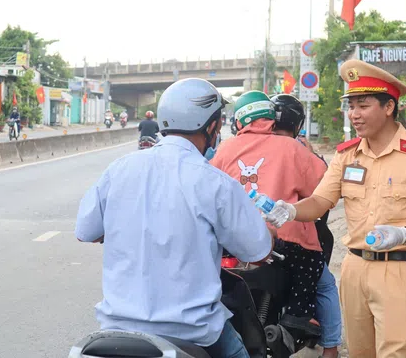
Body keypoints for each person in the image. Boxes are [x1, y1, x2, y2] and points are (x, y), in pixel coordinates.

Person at [74, 78, 275, 358]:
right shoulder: (215, 183)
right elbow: (258, 251)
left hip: (117, 328)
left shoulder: (119, 169)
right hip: (193, 332)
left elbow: (87, 231)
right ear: (212, 127)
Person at [274, 59, 406, 357]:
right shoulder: (346, 156)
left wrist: (405, 233)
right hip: (354, 269)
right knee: (360, 353)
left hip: (399, 268)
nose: (354, 114)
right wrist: (290, 211)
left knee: (394, 352)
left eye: (363, 106)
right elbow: (319, 202)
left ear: (388, 107)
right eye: (351, 106)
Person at [210, 90, 326, 328]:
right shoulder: (290, 147)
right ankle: (299, 313)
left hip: (233, 240)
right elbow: (322, 185)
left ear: (238, 120)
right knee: (312, 260)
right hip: (284, 240)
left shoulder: (226, 148)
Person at [271, 93, 341, 358]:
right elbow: (324, 189)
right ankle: (330, 347)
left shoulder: (242, 144)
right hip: (290, 237)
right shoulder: (296, 149)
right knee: (325, 285)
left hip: (244, 237)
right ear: (297, 123)